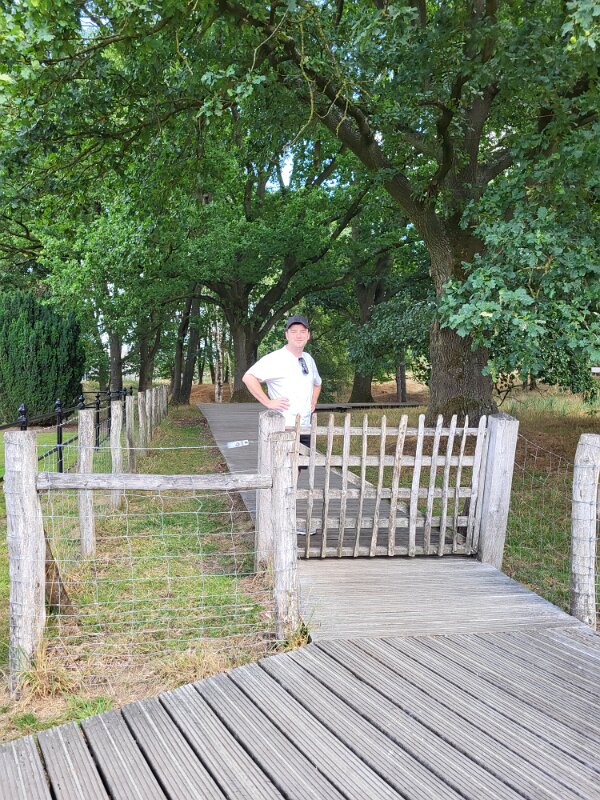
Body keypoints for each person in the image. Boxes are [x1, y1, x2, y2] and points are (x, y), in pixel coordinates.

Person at [242, 315, 322, 444]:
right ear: (286, 335)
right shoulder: (276, 359)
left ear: (308, 335)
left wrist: (313, 401)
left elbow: (317, 383)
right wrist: (268, 402)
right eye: (294, 332)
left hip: (306, 429)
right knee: (282, 465)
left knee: (303, 464)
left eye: (302, 332)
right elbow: (248, 377)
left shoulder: (308, 359)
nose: (299, 335)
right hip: (282, 429)